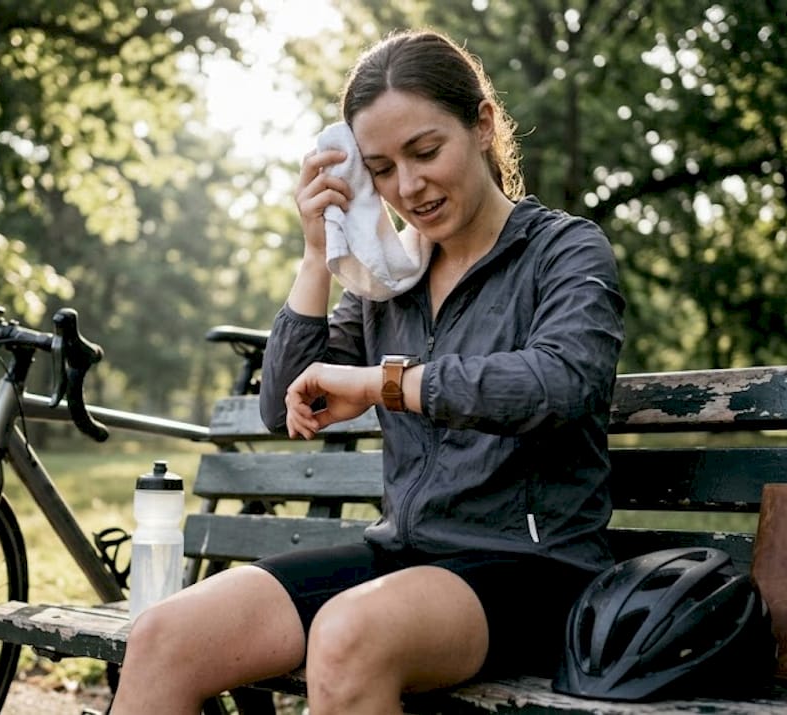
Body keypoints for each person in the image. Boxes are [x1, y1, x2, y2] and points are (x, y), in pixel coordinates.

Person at [111, 28, 625, 714]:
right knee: (164, 635)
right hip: (404, 557)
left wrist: (387, 384)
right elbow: (282, 406)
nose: (408, 187)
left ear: (482, 125)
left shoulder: (564, 251)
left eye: (425, 151)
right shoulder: (390, 280)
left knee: (347, 634)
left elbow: (563, 381)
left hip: (535, 568)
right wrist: (317, 255)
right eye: (381, 169)